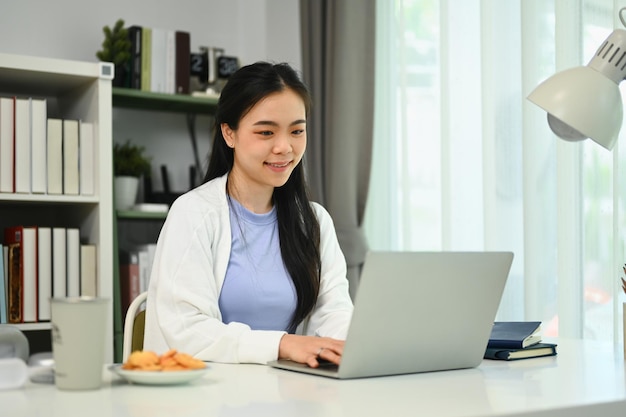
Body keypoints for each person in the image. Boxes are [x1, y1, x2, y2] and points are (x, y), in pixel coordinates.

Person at [143, 61, 354, 368]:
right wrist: (282, 344)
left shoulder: (314, 222)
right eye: (266, 132)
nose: (284, 147)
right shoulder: (194, 214)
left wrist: (341, 347)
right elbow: (187, 330)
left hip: (288, 395)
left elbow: (335, 310)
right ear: (229, 133)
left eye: (297, 130)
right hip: (206, 398)